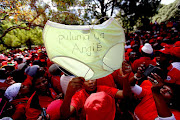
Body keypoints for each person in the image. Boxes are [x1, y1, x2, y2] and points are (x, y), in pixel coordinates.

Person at [60, 61, 132, 120]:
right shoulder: (78, 96)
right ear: (81, 82)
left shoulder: (103, 89)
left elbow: (125, 95)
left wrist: (125, 79)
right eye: (86, 80)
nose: (91, 82)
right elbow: (65, 115)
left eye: (92, 78)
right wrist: (68, 94)